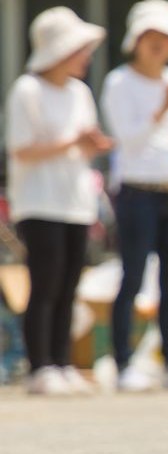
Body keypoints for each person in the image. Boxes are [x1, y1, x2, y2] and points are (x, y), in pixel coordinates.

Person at [5, 7, 112, 396]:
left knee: (69, 285)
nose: (85, 57)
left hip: (76, 202)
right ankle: (40, 366)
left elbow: (83, 144)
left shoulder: (80, 93)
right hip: (38, 203)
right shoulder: (27, 90)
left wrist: (93, 145)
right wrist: (74, 143)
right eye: (78, 49)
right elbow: (20, 150)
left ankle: (63, 362)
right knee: (44, 284)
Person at [101, 0, 168, 392]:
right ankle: (123, 361)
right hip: (135, 189)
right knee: (133, 275)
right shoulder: (119, 82)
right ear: (136, 41)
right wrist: (163, 108)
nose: (159, 45)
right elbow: (126, 137)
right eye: (152, 37)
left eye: (166, 38)